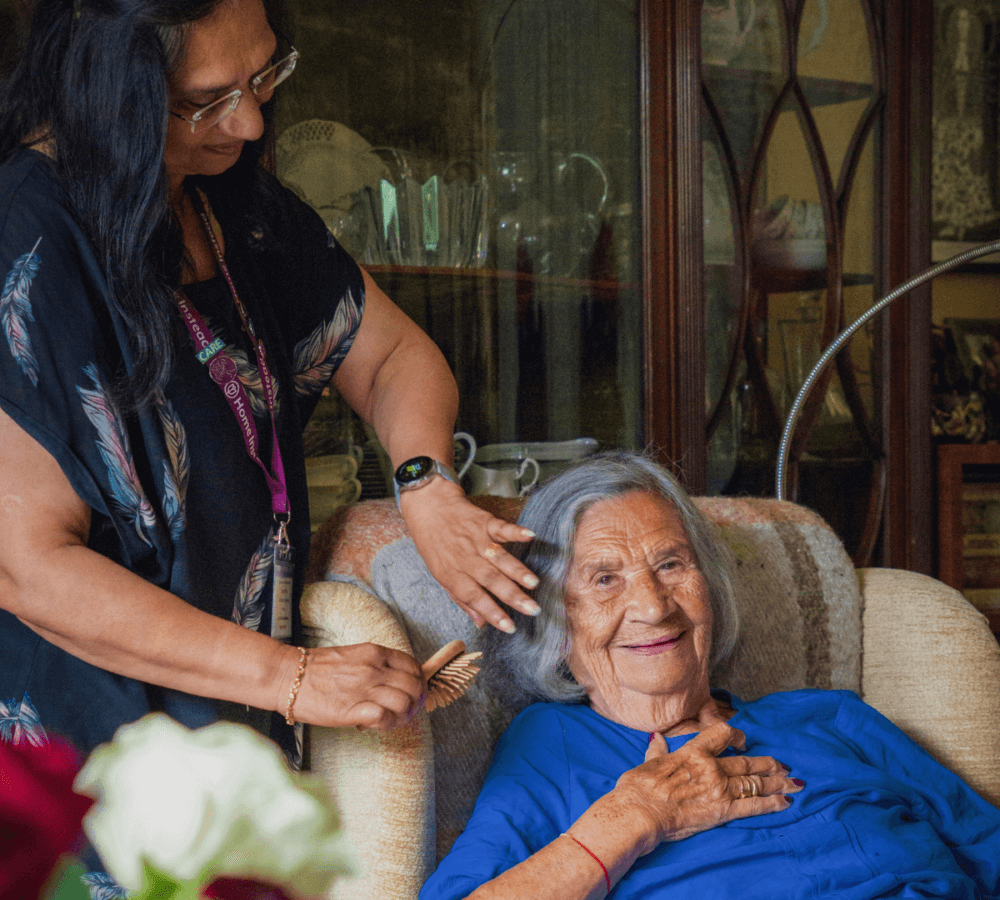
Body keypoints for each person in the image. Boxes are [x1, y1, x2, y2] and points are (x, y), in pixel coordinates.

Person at [0, 0, 541, 803]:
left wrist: (424, 482)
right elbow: (30, 569)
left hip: (234, 745)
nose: (250, 122)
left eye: (261, 76)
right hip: (84, 769)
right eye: (206, 99)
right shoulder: (24, 240)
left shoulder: (230, 203)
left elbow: (391, 357)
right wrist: (292, 676)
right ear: (106, 89)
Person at [421, 452, 1000, 899]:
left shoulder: (833, 717)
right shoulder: (551, 747)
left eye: (670, 564)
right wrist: (636, 817)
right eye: (605, 579)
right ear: (553, 620)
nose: (654, 606)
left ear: (710, 587)